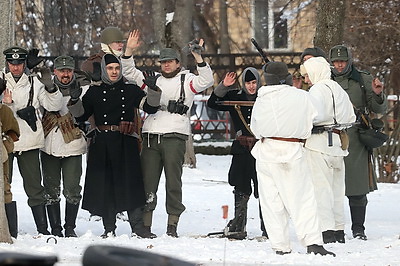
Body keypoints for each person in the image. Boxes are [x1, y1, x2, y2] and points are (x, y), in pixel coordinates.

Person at [67, 53, 161, 238]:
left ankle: (137, 227)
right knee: (105, 186)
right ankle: (109, 228)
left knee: (131, 184)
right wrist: (75, 100)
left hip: (125, 142)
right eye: (110, 68)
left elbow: (150, 108)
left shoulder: (130, 90)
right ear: (104, 69)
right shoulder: (94, 92)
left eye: (117, 68)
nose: (114, 71)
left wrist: (153, 90)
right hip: (102, 143)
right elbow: (81, 116)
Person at [250, 62, 335, 256]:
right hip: (292, 151)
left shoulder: (260, 100)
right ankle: (313, 242)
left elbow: (255, 129)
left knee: (272, 202)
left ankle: (280, 245)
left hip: (265, 152)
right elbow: (319, 114)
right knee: (302, 199)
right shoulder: (302, 97)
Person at [137, 41, 213, 238]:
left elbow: (206, 80)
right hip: (152, 134)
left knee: (173, 182)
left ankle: (172, 224)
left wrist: (198, 58)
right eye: (163, 62)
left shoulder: (186, 80)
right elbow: (130, 73)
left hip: (174, 134)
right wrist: (128, 52)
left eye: (170, 62)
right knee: (148, 182)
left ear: (178, 63)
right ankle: (145, 225)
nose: (166, 65)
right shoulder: (155, 80)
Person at [1, 46, 63, 235]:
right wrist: (6, 104)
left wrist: (51, 86)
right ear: (7, 63)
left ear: (24, 64)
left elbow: (54, 105)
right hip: (5, 141)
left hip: (28, 141)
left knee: (35, 187)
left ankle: (42, 229)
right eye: (12, 63)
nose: (16, 67)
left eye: (19, 63)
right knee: (4, 185)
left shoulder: (35, 83)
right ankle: (6, 229)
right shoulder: (1, 81)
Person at [329, 45, 387, 240]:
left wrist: (378, 94)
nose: (339, 65)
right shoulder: (324, 79)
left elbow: (378, 108)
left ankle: (358, 228)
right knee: (328, 186)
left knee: (357, 187)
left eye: (342, 61)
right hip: (329, 137)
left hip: (355, 137)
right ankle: (332, 228)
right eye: (336, 62)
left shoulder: (363, 79)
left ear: (349, 61)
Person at [207, 68, 267, 240]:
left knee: (264, 187)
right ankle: (239, 225)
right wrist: (223, 87)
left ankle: (269, 227)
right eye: (248, 83)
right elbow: (212, 104)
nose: (251, 86)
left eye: (254, 82)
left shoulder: (265, 97)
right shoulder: (235, 96)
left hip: (261, 148)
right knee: (240, 186)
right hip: (241, 149)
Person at [302, 57, 356, 243]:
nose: (306, 79)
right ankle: (339, 229)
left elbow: (315, 115)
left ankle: (327, 231)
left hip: (319, 144)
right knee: (337, 190)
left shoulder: (316, 90)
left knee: (321, 190)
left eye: (307, 75)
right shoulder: (338, 88)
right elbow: (351, 115)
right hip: (338, 145)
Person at [40, 55, 90, 237]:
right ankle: (55, 228)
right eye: (62, 71)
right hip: (49, 145)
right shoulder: (44, 88)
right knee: (51, 188)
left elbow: (86, 115)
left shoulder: (84, 89)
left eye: (68, 70)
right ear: (55, 72)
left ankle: (70, 227)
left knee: (72, 189)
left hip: (73, 145)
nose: (65, 74)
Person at [0, 98, 20, 238]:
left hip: (1, 156)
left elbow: (14, 133)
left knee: (5, 189)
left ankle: (10, 232)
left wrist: (5, 143)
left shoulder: (3, 111)